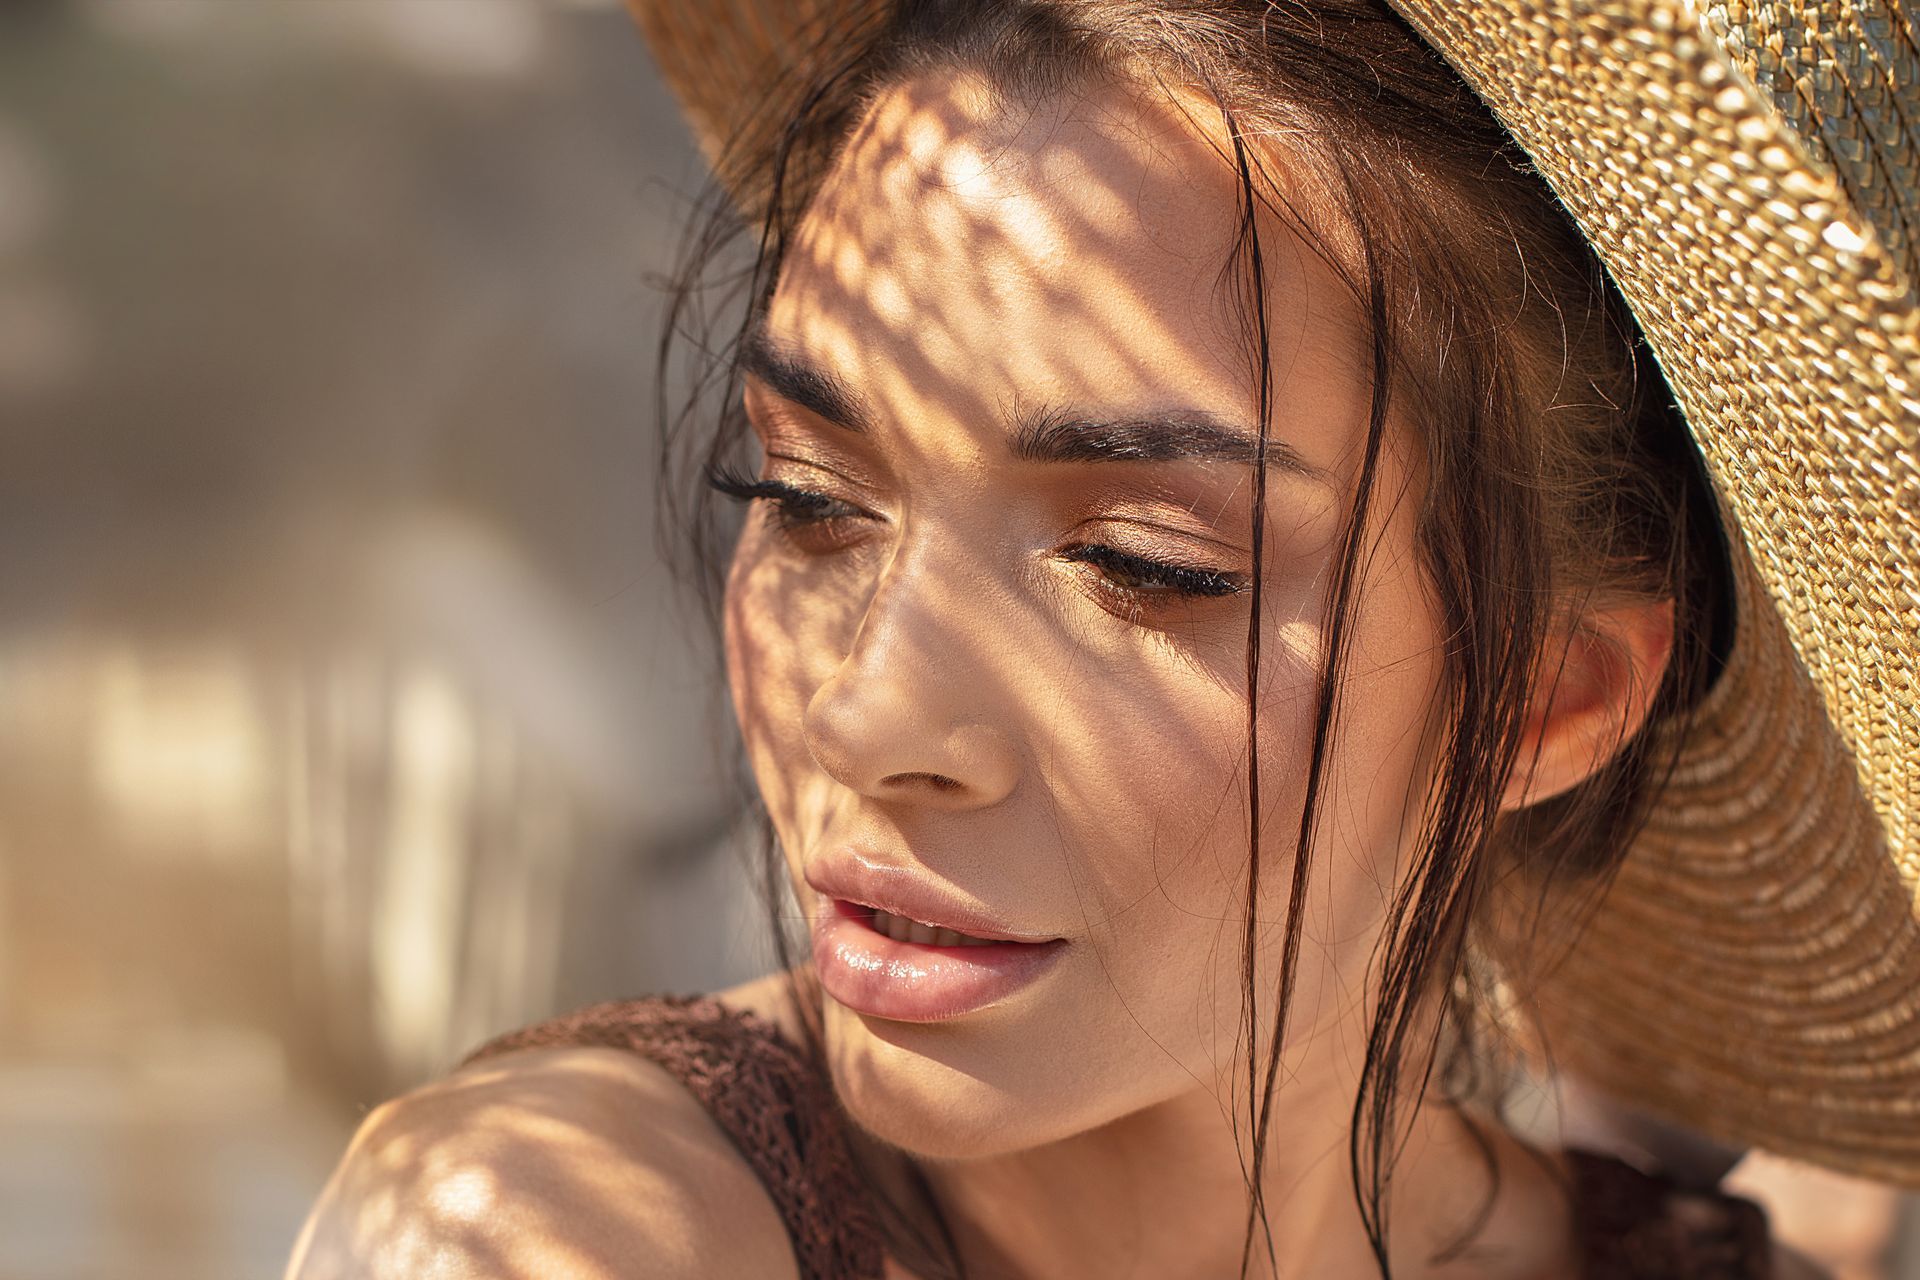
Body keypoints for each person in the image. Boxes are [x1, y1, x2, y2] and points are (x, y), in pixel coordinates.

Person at [285, 1, 1920, 1277]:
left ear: (1549, 705)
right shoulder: (552, 1226)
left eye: (1142, 566)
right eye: (802, 495)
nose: (864, 717)